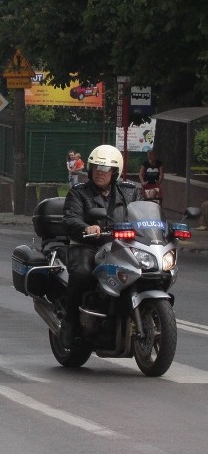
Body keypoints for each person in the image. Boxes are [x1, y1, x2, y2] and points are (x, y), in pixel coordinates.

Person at [61, 144, 140, 348]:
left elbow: (143, 214)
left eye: (105, 169)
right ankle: (70, 323)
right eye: (96, 167)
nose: (100, 173)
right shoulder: (79, 193)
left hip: (120, 246)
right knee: (81, 273)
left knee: (148, 270)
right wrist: (87, 228)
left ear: (115, 172)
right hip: (88, 245)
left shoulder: (129, 193)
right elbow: (71, 218)